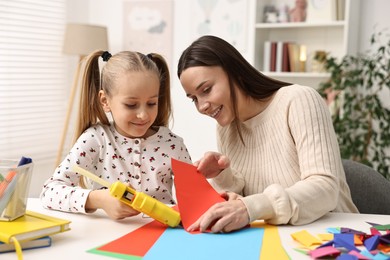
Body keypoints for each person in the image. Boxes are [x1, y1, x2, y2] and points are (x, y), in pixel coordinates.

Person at [177, 35, 358, 233]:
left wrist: (250, 207)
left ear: (234, 71)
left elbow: (325, 189)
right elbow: (245, 203)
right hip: (277, 238)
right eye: (193, 98)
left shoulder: (299, 100)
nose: (202, 106)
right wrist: (222, 175)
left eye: (206, 90)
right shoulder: (226, 127)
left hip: (335, 235)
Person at [41, 50, 192, 220]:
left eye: (151, 103)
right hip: (104, 237)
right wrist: (98, 199)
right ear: (105, 101)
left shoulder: (173, 145)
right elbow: (49, 192)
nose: (143, 114)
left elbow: (195, 202)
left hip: (162, 236)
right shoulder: (95, 140)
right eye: (131, 105)